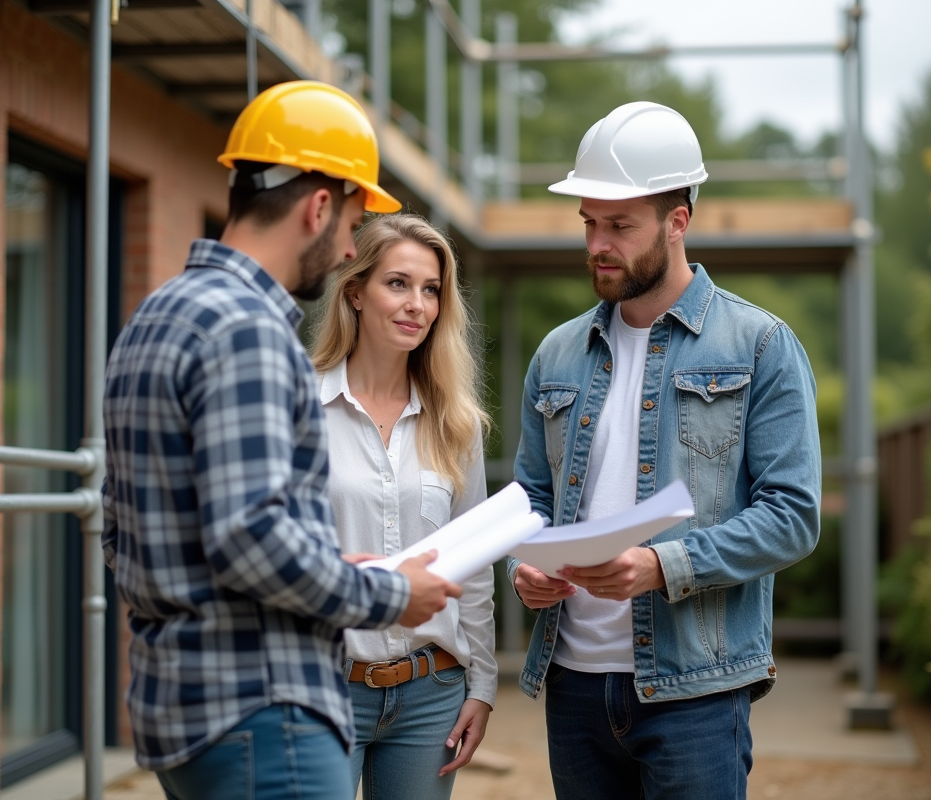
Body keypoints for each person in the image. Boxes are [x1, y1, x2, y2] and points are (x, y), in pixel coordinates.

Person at [101, 81, 463, 800]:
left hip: (182, 706)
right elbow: (248, 537)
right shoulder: (249, 329)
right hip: (264, 715)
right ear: (319, 205)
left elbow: (128, 530)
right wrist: (384, 592)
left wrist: (325, 560)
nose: (351, 247)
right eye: (355, 218)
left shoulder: (156, 314)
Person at [508, 101, 822, 800]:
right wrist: (524, 564)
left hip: (696, 695)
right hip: (574, 688)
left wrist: (660, 566)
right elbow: (529, 497)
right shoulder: (556, 353)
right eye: (589, 222)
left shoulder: (760, 345)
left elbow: (793, 516)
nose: (598, 243)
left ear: (678, 220)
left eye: (619, 225)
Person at [309, 213, 496, 800]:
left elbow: (475, 566)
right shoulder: (299, 408)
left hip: (431, 693)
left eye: (431, 289)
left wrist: (483, 687)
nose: (417, 303)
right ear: (355, 291)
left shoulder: (457, 425)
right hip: (324, 686)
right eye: (398, 283)